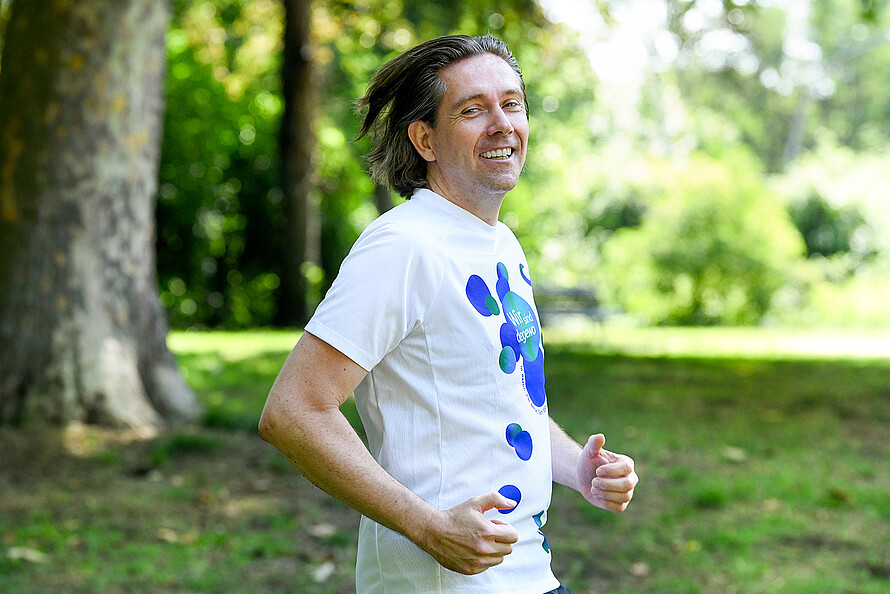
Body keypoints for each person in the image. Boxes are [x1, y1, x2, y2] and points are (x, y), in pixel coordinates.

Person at [259, 34, 639, 594]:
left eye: (512, 103)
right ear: (425, 139)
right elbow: (293, 411)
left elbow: (506, 400)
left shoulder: (500, 243)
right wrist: (429, 528)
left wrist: (576, 467)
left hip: (528, 574)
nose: (502, 123)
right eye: (472, 110)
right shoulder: (404, 246)